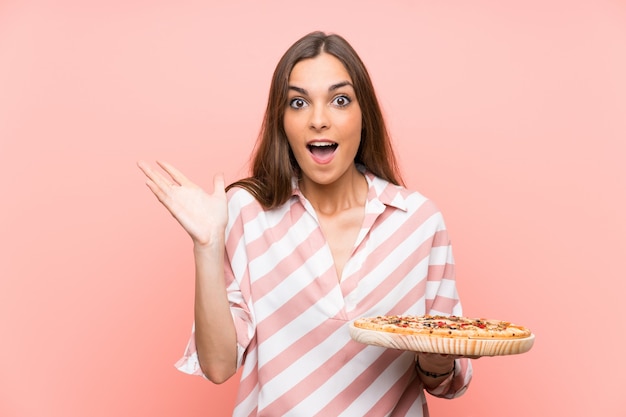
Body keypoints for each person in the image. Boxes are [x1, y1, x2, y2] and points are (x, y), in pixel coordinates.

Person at [138, 31, 473, 416]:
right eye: (298, 103)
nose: (318, 120)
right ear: (281, 121)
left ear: (365, 114)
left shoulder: (418, 221)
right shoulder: (247, 212)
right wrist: (207, 245)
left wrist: (435, 360)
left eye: (340, 100)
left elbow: (449, 378)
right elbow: (218, 366)